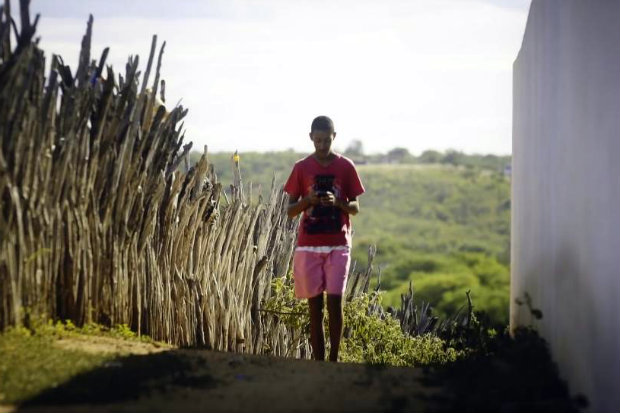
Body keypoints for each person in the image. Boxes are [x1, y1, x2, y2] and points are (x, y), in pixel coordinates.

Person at [283, 115, 365, 362]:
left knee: (335, 303)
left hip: (338, 244)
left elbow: (355, 207)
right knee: (314, 309)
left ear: (334, 137)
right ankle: (319, 364)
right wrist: (308, 201)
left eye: (326, 140)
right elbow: (289, 210)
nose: (321, 145)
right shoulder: (301, 167)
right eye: (317, 140)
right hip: (308, 246)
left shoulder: (346, 166)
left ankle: (334, 359)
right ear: (310, 137)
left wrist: (337, 202)